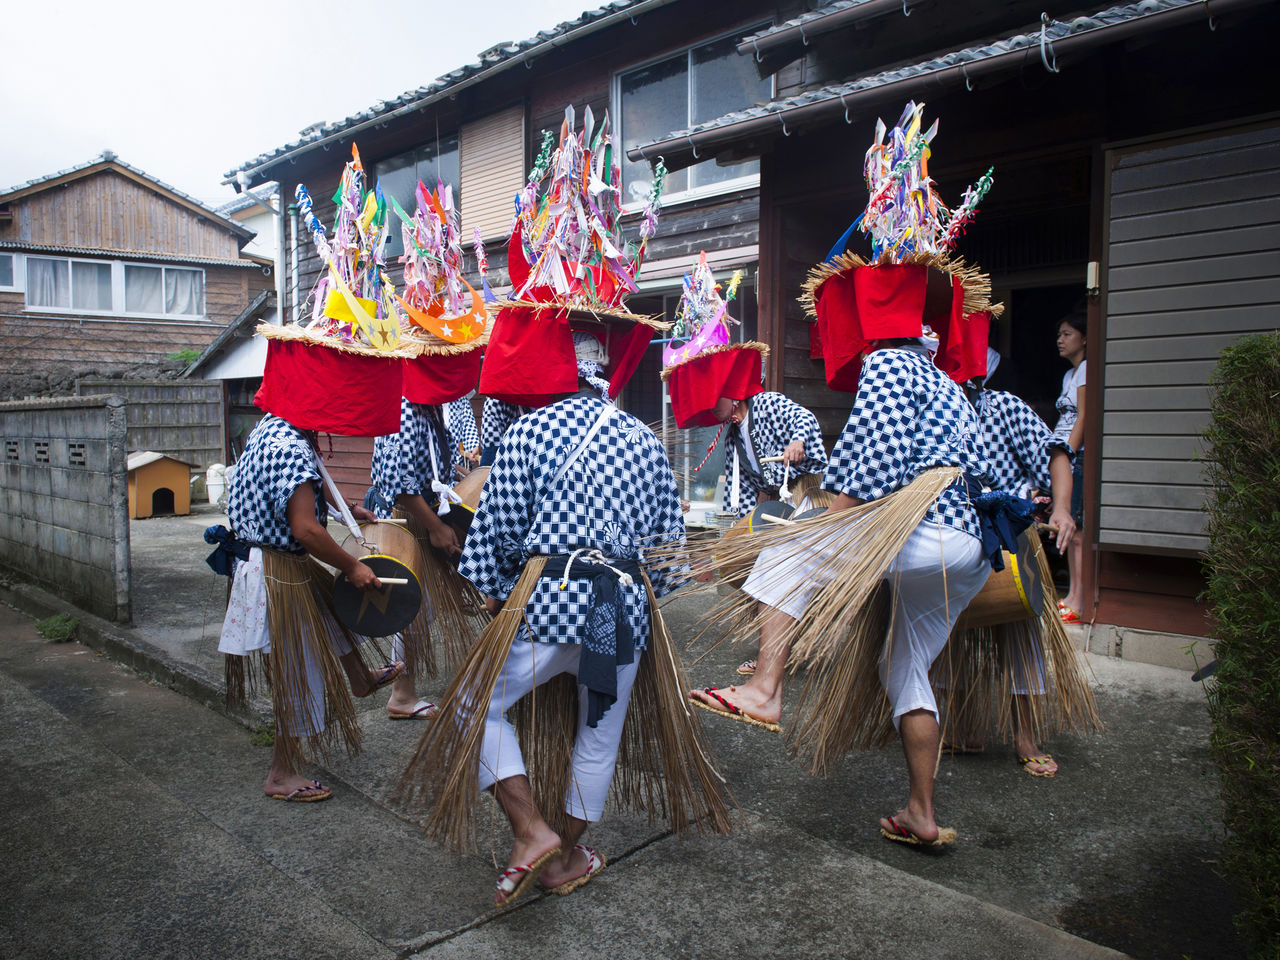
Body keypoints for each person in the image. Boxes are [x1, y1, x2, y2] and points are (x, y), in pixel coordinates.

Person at [690, 338, 994, 845]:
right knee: (904, 666)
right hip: (968, 546)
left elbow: (874, 461)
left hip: (920, 528)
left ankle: (765, 690)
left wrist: (822, 531)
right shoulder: (950, 386)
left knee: (786, 552)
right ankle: (922, 812)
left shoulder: (889, 361)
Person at [218, 413, 403, 802]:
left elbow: (299, 492)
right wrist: (352, 565)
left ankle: (360, 678)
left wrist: (346, 510)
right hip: (274, 568)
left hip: (275, 559)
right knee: (297, 669)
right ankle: (282, 773)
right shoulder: (289, 446)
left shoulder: (275, 424)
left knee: (329, 612)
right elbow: (304, 528)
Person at [939, 357, 1086, 777]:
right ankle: (963, 727)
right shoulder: (930, 409)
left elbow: (1056, 454)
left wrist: (1060, 509)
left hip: (1009, 540)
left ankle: (1026, 736)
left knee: (1022, 637)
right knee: (946, 634)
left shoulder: (1003, 407)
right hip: (952, 537)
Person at [371, 395, 483, 720]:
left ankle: (402, 689)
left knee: (423, 606)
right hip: (414, 520)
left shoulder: (428, 403)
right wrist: (434, 526)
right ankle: (402, 693)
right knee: (414, 606)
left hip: (430, 515)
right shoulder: (405, 404)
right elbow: (400, 480)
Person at [1053, 309, 1088, 622]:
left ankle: (1078, 598)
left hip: (1075, 454)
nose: (1060, 340)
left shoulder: (1087, 369)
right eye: (1059, 335)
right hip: (1063, 455)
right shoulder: (1068, 374)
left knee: (1074, 529)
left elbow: (1083, 416)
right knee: (1067, 528)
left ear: (1085, 338)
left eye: (1068, 334)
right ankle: (1071, 594)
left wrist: (1070, 453)